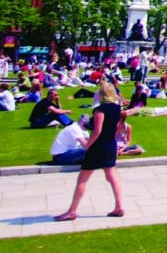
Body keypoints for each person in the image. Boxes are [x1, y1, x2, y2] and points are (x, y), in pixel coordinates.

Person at [54, 81, 126, 220]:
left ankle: (72, 211)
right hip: (111, 144)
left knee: (82, 179)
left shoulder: (100, 110)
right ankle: (119, 206)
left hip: (98, 146)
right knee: (112, 177)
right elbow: (116, 127)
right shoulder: (117, 109)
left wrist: (88, 145)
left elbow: (97, 130)